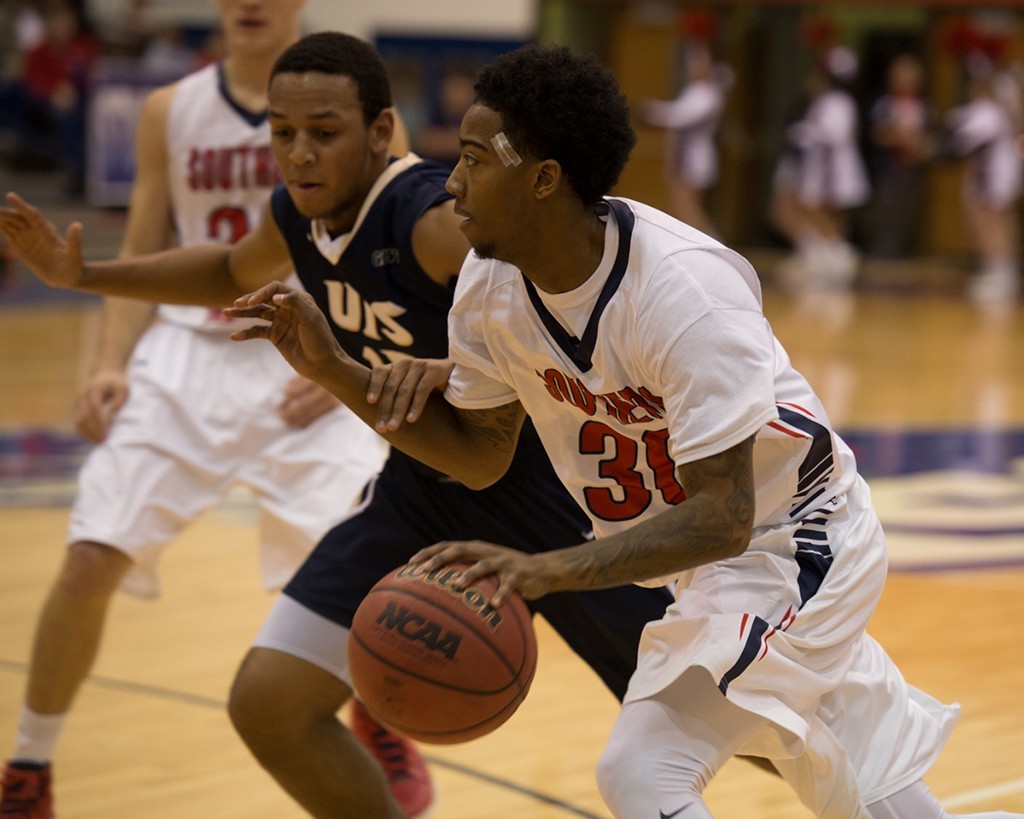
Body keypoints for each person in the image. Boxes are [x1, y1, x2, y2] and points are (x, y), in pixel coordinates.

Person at [202, 44, 1024, 819]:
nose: (449, 181)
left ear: (543, 179)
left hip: (795, 541)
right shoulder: (490, 287)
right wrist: (334, 369)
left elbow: (723, 515)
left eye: (476, 157)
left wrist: (545, 569)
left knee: (642, 770)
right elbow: (483, 459)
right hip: (708, 565)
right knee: (860, 774)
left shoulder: (684, 293)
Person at [0, 32, 676, 819]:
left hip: (563, 504)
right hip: (426, 493)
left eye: (325, 132)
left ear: (380, 132)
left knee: (737, 725)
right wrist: (81, 272)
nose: (300, 154)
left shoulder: (425, 219)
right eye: (283, 135)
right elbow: (226, 272)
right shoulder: (297, 214)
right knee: (270, 702)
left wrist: (476, 363)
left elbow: (541, 265)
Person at [0, 6, 429, 819]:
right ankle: (28, 765)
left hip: (312, 355)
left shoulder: (355, 99)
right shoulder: (172, 107)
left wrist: (350, 356)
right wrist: (106, 361)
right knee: (91, 553)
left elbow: (394, 244)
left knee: (371, 574)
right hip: (191, 350)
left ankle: (379, 720)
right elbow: (151, 235)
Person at [771, 45, 870, 291]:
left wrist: (804, 132)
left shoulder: (839, 101)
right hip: (820, 164)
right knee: (815, 208)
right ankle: (823, 256)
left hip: (832, 168)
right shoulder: (826, 101)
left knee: (821, 209)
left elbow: (832, 132)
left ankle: (839, 255)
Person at [943, 52, 1022, 304]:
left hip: (990, 175)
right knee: (995, 219)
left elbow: (960, 143)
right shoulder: (989, 109)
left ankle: (1000, 269)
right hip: (995, 173)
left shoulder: (988, 110)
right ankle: (1000, 268)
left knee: (988, 220)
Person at [637, 38, 731, 237]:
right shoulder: (694, 90)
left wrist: (651, 111)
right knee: (681, 207)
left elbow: (681, 116)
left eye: (700, 61)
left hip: (694, 157)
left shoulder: (709, 93)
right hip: (684, 156)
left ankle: (713, 246)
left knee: (688, 207)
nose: (694, 66)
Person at [864, 53, 934, 260]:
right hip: (887, 166)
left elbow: (928, 134)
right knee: (883, 210)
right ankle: (878, 253)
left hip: (912, 167)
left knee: (906, 213)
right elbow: (876, 133)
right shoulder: (883, 101)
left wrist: (920, 147)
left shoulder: (923, 104)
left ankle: (896, 253)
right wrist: (899, 139)